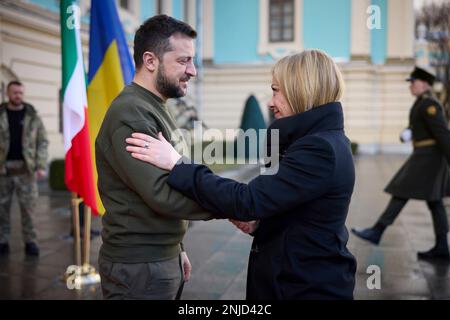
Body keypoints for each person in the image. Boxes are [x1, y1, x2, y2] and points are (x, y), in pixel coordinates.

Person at [125, 49, 357, 300]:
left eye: (276, 90)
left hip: (305, 288)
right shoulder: (320, 140)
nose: (270, 101)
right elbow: (298, 209)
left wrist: (177, 164)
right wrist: (261, 224)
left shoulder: (318, 148)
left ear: (301, 90)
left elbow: (247, 200)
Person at [95, 15, 212, 300]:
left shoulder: (153, 104)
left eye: (192, 60)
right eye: (183, 61)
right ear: (150, 61)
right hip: (139, 266)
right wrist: (232, 205)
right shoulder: (132, 112)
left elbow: (168, 180)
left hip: (157, 257)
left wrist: (177, 248)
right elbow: (162, 193)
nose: (193, 71)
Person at [352, 66, 450, 261]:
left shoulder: (429, 104)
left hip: (428, 158)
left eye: (413, 82)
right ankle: (442, 247)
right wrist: (409, 131)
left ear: (424, 84)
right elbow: (421, 127)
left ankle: (377, 231)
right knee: (434, 202)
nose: (410, 86)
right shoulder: (421, 103)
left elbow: (441, 134)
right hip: (424, 155)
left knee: (401, 191)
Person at [0, 80, 48, 257]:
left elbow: (42, 141)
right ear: (7, 93)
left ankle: (31, 242)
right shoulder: (1, 114)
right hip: (3, 171)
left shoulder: (32, 115)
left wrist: (41, 165)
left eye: (21, 93)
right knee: (1, 210)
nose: (18, 96)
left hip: (26, 170)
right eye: (15, 93)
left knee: (29, 210)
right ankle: (2, 241)